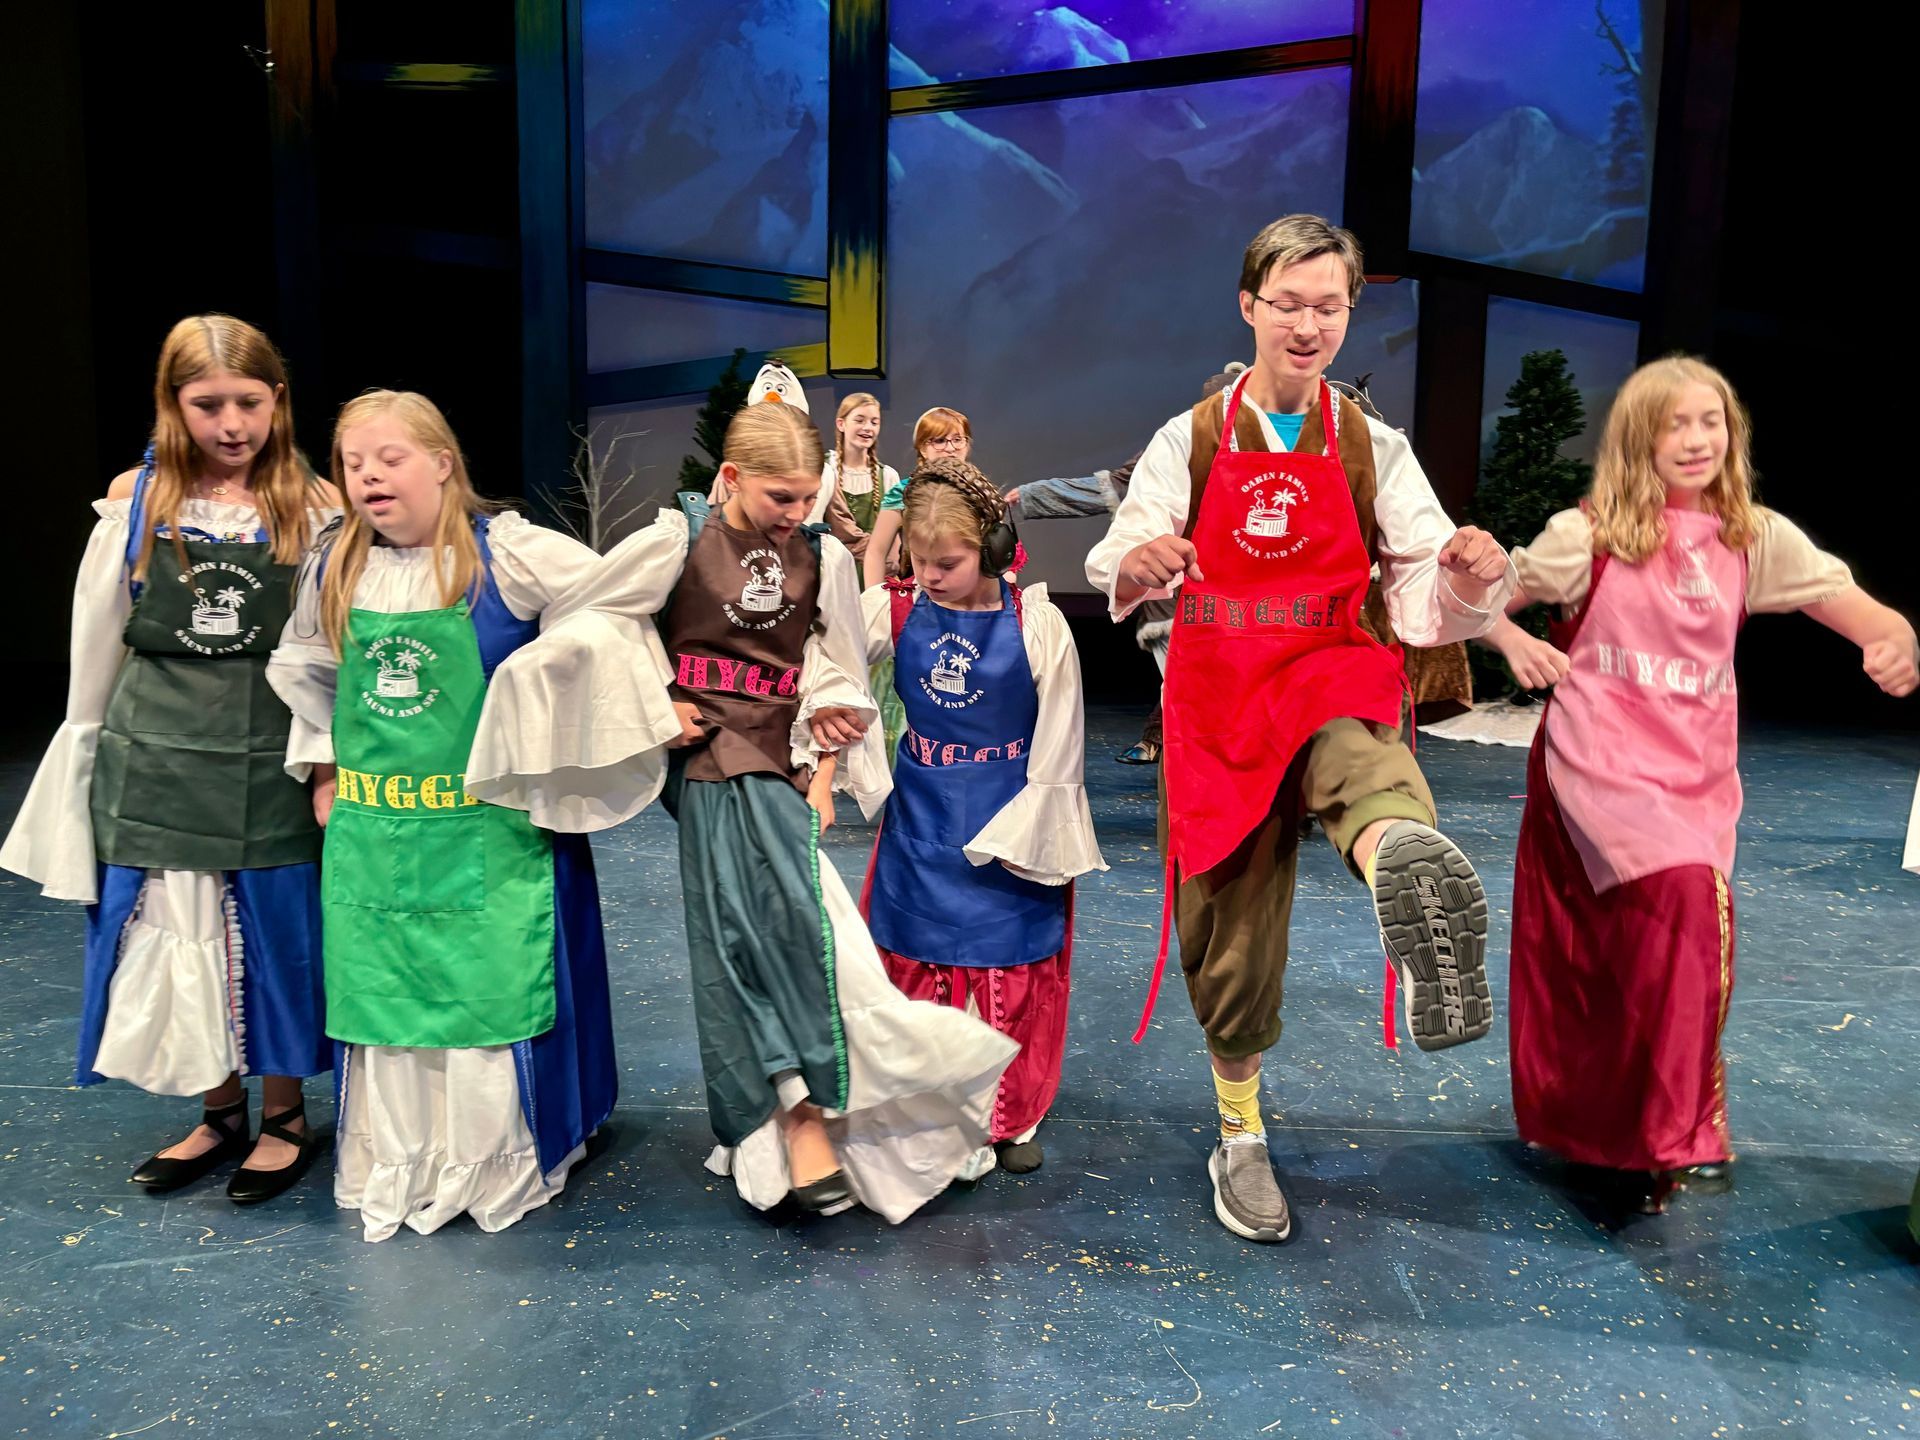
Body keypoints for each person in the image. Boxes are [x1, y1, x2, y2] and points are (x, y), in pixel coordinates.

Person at [465, 402, 1017, 1223]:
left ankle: (817, 1107)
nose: (794, 514)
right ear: (730, 478)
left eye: (804, 497)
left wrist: (826, 767)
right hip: (707, 761)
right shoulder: (677, 541)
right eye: (778, 498)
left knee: (763, 924)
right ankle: (801, 1116)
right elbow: (591, 618)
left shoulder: (820, 555)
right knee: (768, 917)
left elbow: (830, 665)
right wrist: (655, 699)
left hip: (780, 756)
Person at [1085, 214, 1513, 1244]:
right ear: (1250, 307)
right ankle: (1240, 1131)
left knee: (1363, 761)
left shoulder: (1372, 441)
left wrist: (1465, 570)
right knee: (1229, 945)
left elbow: (1421, 573)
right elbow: (1120, 552)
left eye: (1330, 306)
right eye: (1289, 304)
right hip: (1218, 697)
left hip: (1325, 663)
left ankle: (1401, 861)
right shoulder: (1188, 437)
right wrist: (1137, 564)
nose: (1309, 324)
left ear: (1348, 312)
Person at [1480, 356, 1917, 1210]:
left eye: (1709, 421)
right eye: (1675, 423)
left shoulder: (1754, 536)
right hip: (1595, 768)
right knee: (1654, 932)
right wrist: (1509, 639)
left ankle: (1645, 1132)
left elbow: (1860, 605)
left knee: (1670, 952)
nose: (1695, 439)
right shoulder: (1588, 535)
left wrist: (1891, 638)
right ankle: (1644, 1132)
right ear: (1640, 437)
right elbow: (1476, 599)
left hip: (1693, 778)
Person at [267, 389, 617, 1241]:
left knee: (487, 994)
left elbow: (612, 607)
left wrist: (554, 705)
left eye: (389, 458)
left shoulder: (511, 555)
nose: (368, 477)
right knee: (388, 996)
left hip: (488, 835)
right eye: (352, 464)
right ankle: (404, 1153)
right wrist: (322, 769)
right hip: (375, 833)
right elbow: (312, 675)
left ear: (443, 464)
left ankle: (488, 1156)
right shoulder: (336, 565)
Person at [0, 315, 335, 1203]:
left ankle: (285, 1114)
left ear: (279, 402)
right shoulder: (136, 501)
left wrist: (330, 759)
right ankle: (217, 1108)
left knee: (273, 935)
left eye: (249, 402)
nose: (231, 423)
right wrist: (82, 749)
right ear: (173, 404)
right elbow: (96, 637)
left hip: (269, 755)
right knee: (179, 929)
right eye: (208, 404)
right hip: (155, 753)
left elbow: (332, 643)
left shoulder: (316, 504)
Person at [861, 458, 1105, 1177]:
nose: (931, 574)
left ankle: (1007, 1114)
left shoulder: (1039, 623)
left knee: (1010, 962)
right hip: (920, 818)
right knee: (919, 959)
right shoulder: (897, 610)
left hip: (1011, 818)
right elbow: (834, 668)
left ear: (994, 548)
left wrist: (1032, 836)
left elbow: (1061, 741)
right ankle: (930, 1114)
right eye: (918, 558)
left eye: (950, 561)